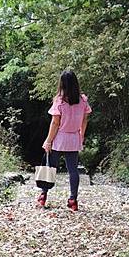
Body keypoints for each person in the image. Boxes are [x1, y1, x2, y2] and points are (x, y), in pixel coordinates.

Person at [39, 70, 92, 211]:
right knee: (73, 170)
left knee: (50, 167)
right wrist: (81, 135)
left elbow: (55, 123)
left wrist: (48, 141)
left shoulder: (60, 101)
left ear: (62, 83)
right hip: (74, 138)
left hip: (59, 138)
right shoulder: (83, 101)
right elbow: (85, 120)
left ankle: (43, 195)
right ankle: (73, 199)